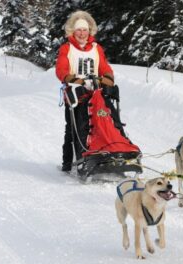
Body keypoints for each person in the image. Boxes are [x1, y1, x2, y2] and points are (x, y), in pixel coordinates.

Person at [54, 11, 115, 172]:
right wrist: (73, 79)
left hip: (96, 93)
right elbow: (61, 69)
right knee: (74, 128)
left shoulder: (96, 48)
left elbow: (104, 67)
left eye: (85, 30)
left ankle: (106, 153)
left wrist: (108, 77)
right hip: (75, 94)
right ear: (72, 31)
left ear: (90, 31)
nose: (82, 33)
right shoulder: (66, 48)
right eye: (79, 30)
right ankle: (69, 162)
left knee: (103, 122)